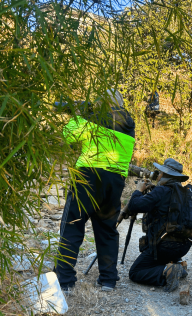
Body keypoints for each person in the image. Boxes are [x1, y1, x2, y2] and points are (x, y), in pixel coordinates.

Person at [55, 89, 135, 292]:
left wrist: (78, 114)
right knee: (107, 229)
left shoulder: (92, 119)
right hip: (115, 179)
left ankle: (64, 281)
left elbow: (67, 135)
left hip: (87, 176)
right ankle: (108, 280)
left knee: (72, 224)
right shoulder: (129, 124)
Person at [126, 159, 192, 292]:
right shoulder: (185, 193)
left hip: (163, 247)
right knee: (158, 256)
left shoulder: (160, 192)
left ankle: (166, 271)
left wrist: (138, 190)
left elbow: (135, 205)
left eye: (160, 173)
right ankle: (178, 265)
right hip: (182, 247)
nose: (158, 175)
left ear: (165, 175)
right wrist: (154, 189)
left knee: (135, 272)